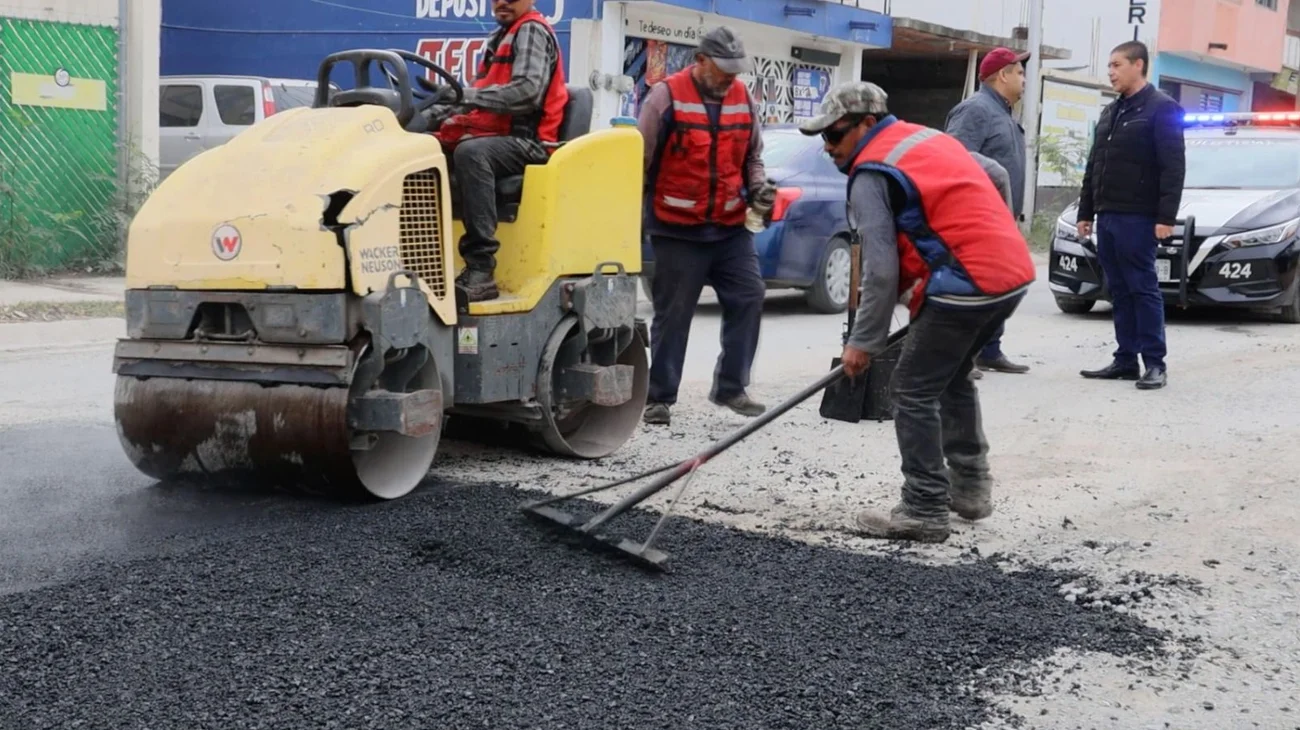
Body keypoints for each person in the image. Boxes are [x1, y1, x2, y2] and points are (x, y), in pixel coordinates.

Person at [798, 81, 1036, 543]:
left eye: (832, 135)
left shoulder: (871, 172)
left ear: (865, 124)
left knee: (910, 390)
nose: (827, 147)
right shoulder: (927, 139)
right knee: (949, 378)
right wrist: (993, 238)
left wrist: (862, 342)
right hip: (1009, 275)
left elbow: (881, 272)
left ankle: (925, 508)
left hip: (964, 285)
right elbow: (997, 175)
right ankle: (969, 490)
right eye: (821, 138)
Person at [636, 26, 777, 426]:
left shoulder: (742, 97)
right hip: (677, 229)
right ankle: (659, 398)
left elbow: (752, 156)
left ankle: (731, 387)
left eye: (736, 70)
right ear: (700, 61)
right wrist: (637, 221)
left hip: (731, 228)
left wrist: (757, 188)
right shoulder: (665, 97)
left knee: (750, 296)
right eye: (723, 69)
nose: (731, 77)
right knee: (674, 313)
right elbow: (642, 160)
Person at [431, 0, 569, 303]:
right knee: (421, 149)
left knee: (471, 153)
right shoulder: (500, 37)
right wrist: (431, 110)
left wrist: (466, 96)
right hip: (496, 135)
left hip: (529, 142)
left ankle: (481, 269)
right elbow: (475, 97)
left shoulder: (531, 31)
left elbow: (527, 92)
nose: (502, 1)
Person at [1076, 41, 1185, 390]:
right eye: (1109, 65)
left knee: (1143, 288)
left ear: (1139, 65)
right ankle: (1125, 359)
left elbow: (1173, 167)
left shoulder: (1161, 109)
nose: (1111, 71)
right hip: (1108, 215)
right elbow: (1094, 165)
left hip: (1139, 217)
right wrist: (1086, 211)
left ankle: (1155, 363)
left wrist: (1165, 217)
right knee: (1118, 290)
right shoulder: (1111, 111)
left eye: (1116, 64)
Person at [944, 46, 1033, 377]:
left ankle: (990, 350)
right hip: (977, 222)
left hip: (1001, 222)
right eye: (1020, 72)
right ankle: (958, 358)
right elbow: (955, 159)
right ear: (1002, 75)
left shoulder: (1003, 112)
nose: (1024, 79)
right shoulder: (974, 111)